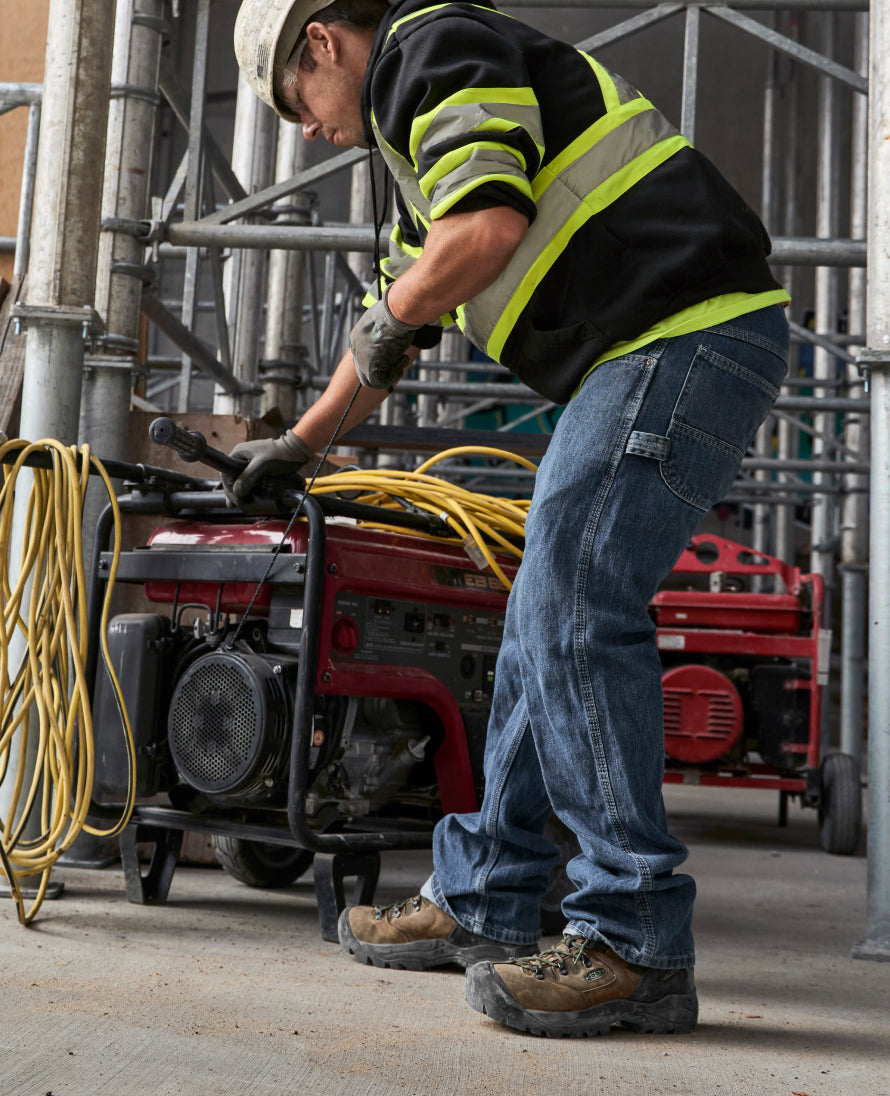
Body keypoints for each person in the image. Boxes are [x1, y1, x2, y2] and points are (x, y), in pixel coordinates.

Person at [229, 0, 790, 1038]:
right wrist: (298, 445)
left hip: (682, 333)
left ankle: (632, 938)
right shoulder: (413, 155)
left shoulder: (432, 50)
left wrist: (392, 319)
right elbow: (404, 310)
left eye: (290, 97)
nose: (301, 125)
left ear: (321, 42)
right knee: (542, 614)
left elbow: (481, 233)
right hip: (648, 351)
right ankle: (483, 892)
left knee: (573, 599)